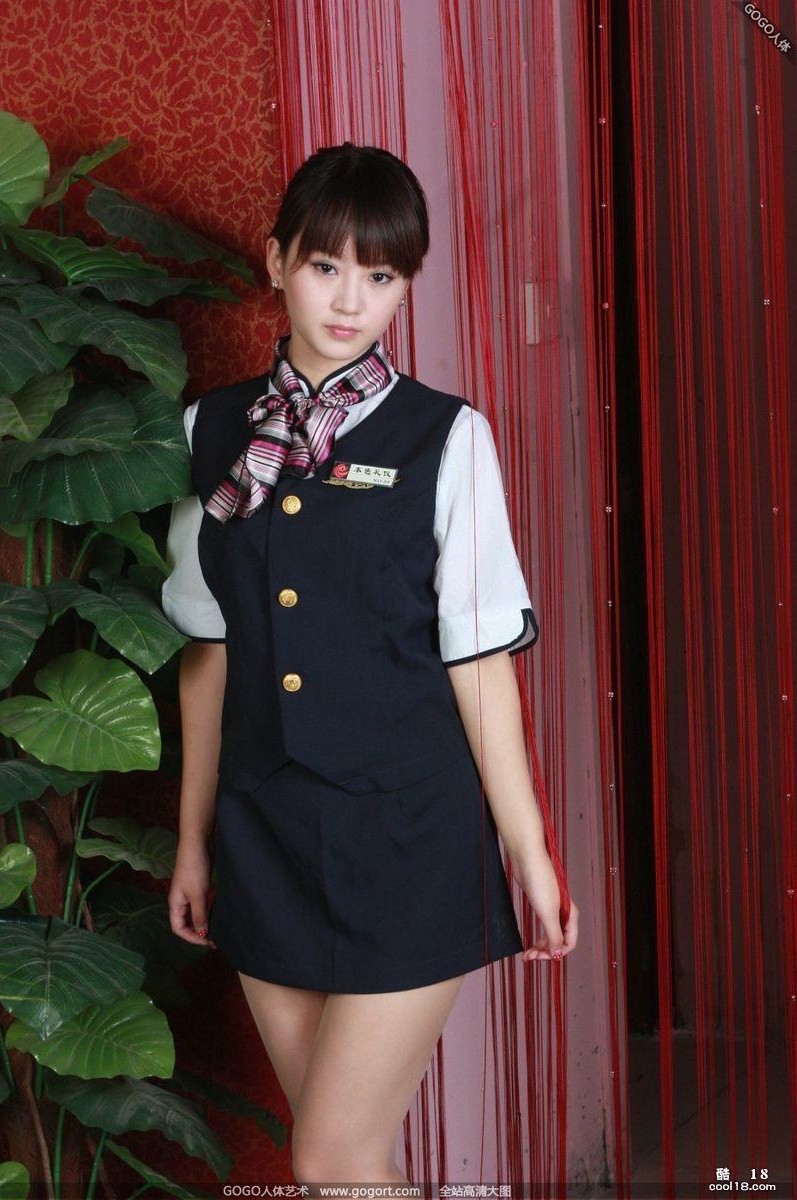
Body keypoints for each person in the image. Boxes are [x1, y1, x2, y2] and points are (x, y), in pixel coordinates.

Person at [165, 141, 578, 1194]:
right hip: (262, 832)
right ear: (276, 262)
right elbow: (208, 655)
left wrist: (528, 855)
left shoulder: (448, 438)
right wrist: (193, 843)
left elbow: (478, 664)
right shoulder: (208, 432)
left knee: (329, 1157)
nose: (351, 300)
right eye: (325, 266)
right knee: (344, 1169)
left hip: (407, 836)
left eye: (381, 275)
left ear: (404, 285)